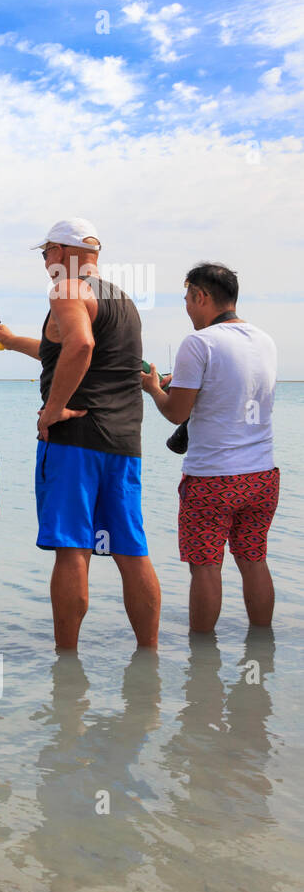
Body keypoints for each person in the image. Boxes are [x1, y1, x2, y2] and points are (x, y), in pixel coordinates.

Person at [0, 218, 160, 649]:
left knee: (72, 550)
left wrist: (50, 411)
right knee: (131, 551)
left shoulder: (66, 289)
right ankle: (149, 657)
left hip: (75, 439)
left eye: (46, 252)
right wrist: (11, 342)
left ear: (63, 253)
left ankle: (66, 665)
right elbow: (63, 349)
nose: (45, 261)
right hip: (124, 443)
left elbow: (80, 346)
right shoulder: (123, 302)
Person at [141, 263, 277, 633]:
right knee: (253, 560)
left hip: (213, 479)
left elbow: (176, 413)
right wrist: (182, 382)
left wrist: (154, 388)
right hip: (263, 474)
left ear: (201, 296)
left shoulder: (198, 343)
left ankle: (201, 660)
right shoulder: (265, 340)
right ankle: (262, 649)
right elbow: (231, 392)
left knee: (205, 566)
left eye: (187, 298)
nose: (186, 307)